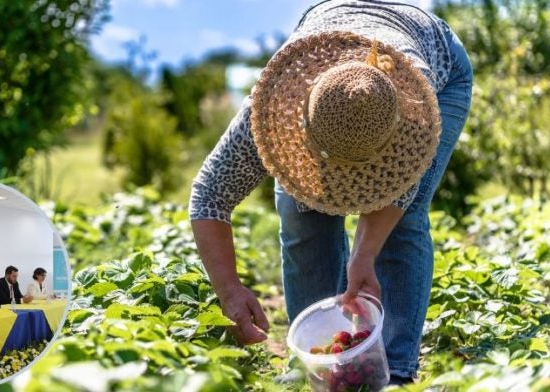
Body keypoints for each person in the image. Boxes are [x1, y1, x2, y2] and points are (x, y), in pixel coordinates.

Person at [189, 0, 472, 385]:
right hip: (330, 36)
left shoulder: (415, 109)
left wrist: (364, 256)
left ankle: (395, 372)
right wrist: (230, 291)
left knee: (402, 226)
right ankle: (321, 369)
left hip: (439, 64)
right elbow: (209, 195)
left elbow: (402, 193)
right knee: (302, 212)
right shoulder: (276, 99)